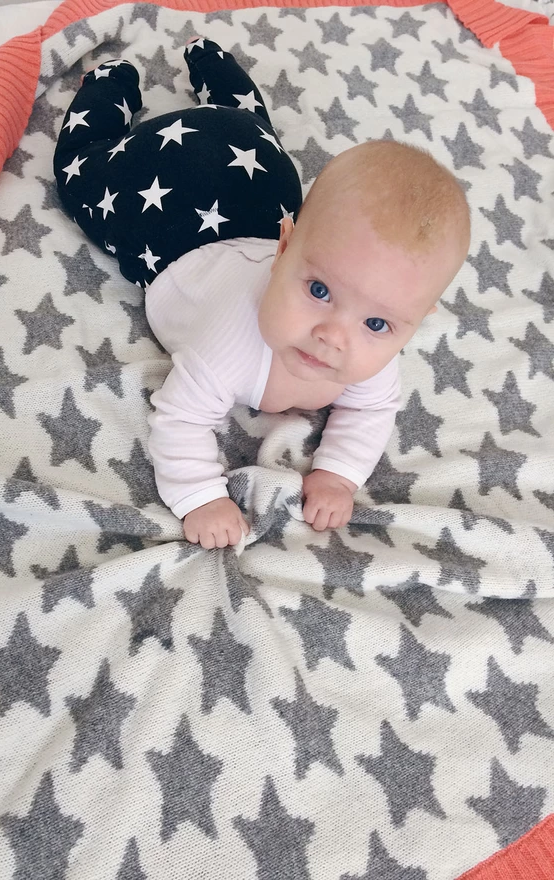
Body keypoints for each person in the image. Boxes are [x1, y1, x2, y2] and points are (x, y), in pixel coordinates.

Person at [53, 37, 471, 550]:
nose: (332, 337)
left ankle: (215, 69)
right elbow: (180, 420)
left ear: (414, 321)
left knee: (257, 139)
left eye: (378, 324)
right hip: (169, 217)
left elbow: (371, 411)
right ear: (285, 245)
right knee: (82, 182)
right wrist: (202, 496)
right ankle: (110, 84)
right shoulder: (227, 347)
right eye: (319, 290)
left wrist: (338, 474)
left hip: (251, 192)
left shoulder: (372, 356)